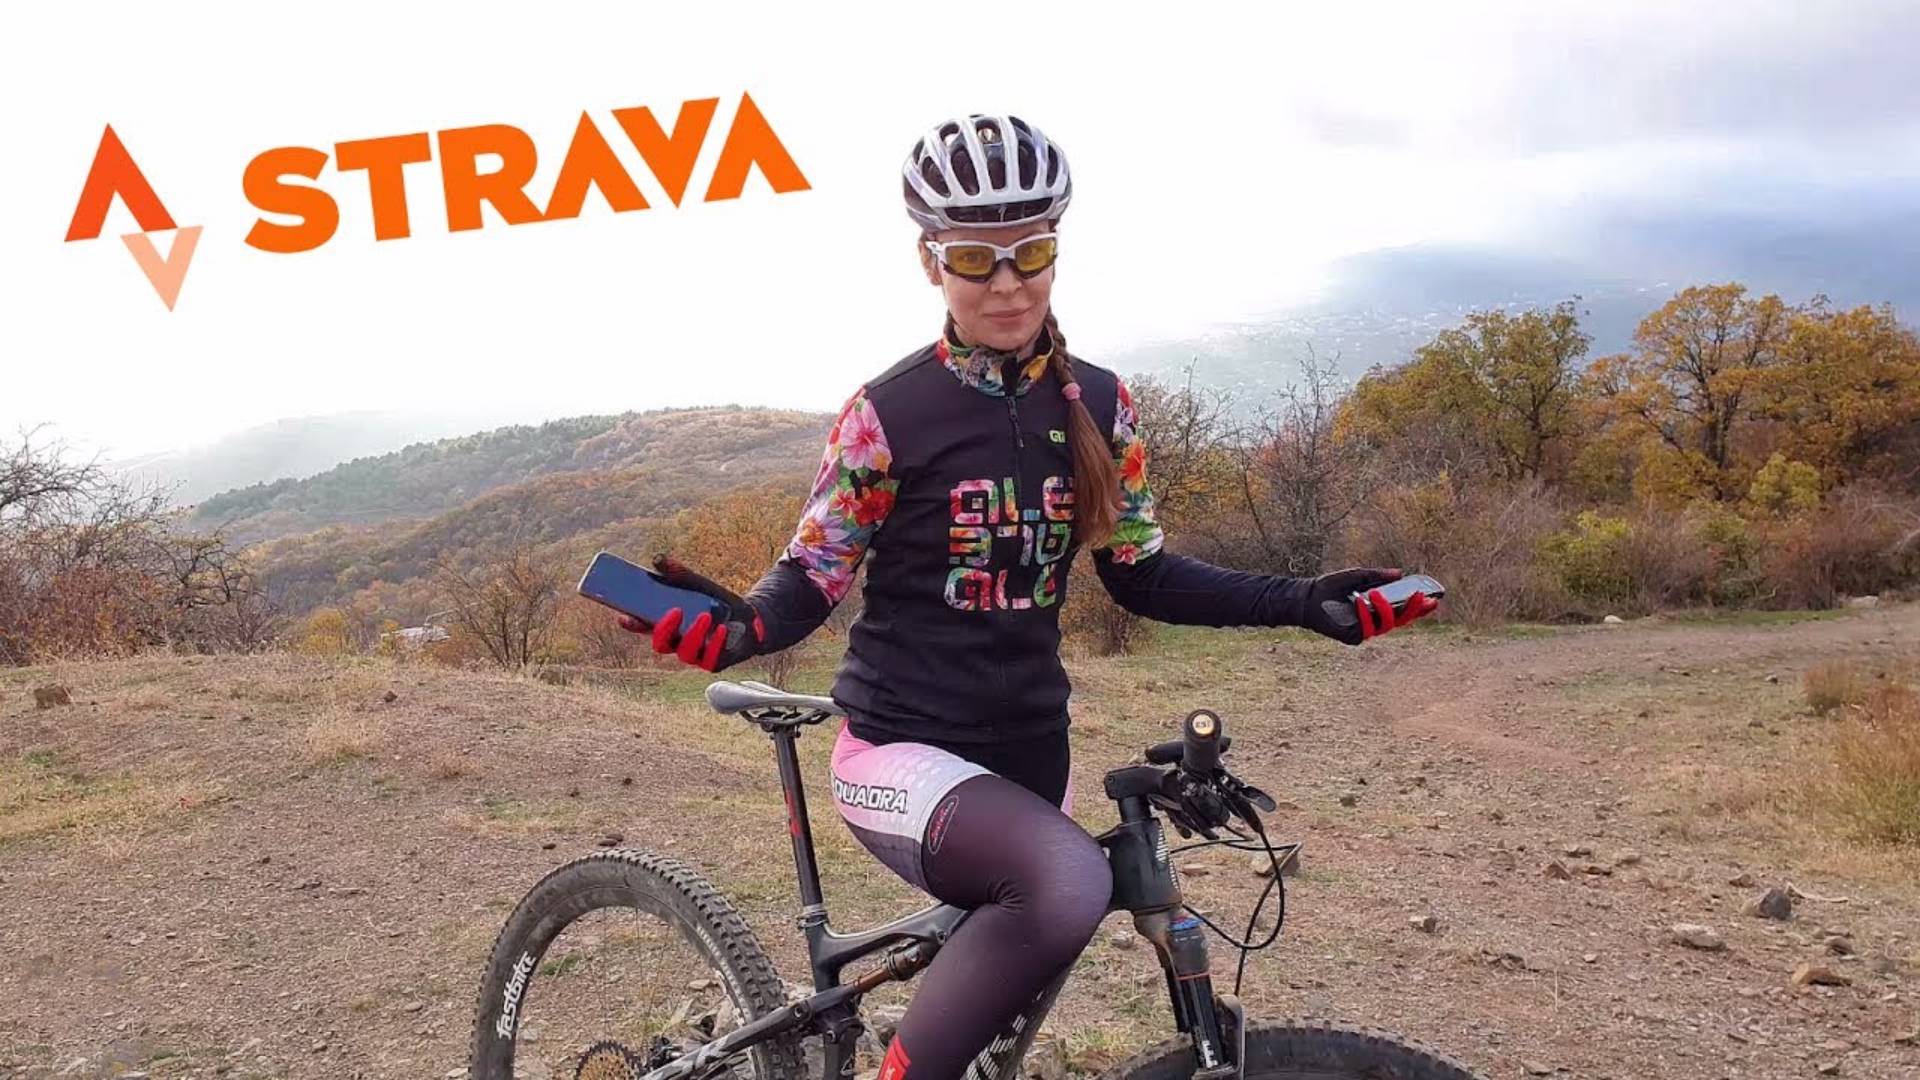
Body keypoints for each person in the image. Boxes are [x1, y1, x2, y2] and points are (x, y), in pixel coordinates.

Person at [620, 113, 1438, 1080]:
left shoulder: (1101, 404)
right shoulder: (886, 415)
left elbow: (1143, 573)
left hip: (1030, 759)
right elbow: (812, 575)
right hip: (898, 752)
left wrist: (1304, 600)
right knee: (1064, 882)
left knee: (1029, 951)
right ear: (932, 261)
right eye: (976, 258)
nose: (1007, 282)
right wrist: (740, 627)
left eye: (1032, 253)